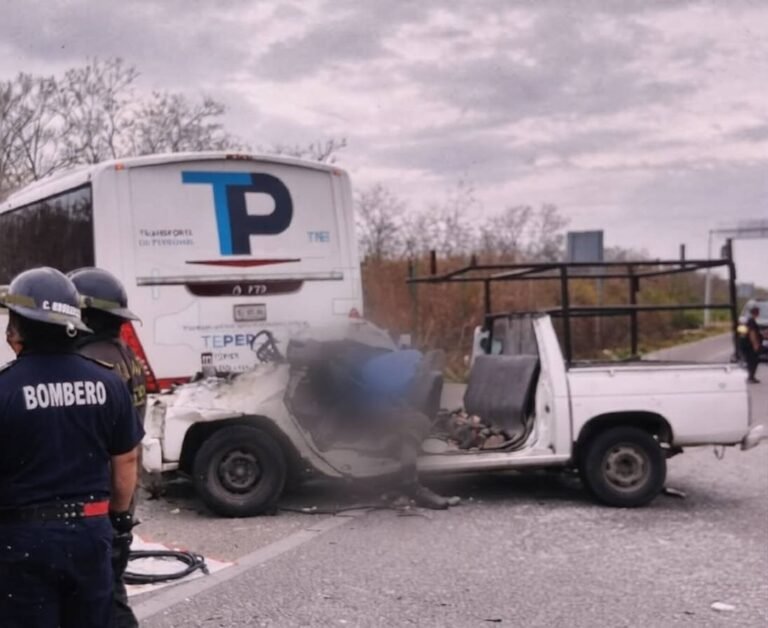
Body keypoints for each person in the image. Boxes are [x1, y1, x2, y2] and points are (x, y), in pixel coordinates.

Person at [0, 267, 144, 628]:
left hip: (23, 539)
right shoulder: (107, 383)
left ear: (20, 326)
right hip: (91, 533)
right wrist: (120, 520)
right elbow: (126, 459)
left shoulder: (5, 389)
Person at [68, 267, 147, 628]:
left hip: (98, 503)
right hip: (121, 498)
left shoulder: (92, 366)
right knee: (108, 589)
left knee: (105, 599)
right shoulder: (126, 356)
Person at [744, 305, 762, 383]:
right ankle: (750, 377)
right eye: (758, 312)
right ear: (756, 312)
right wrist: (755, 344)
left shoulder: (751, 320)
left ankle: (751, 376)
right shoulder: (751, 321)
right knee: (753, 361)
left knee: (753, 361)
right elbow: (752, 333)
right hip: (750, 345)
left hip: (749, 345)